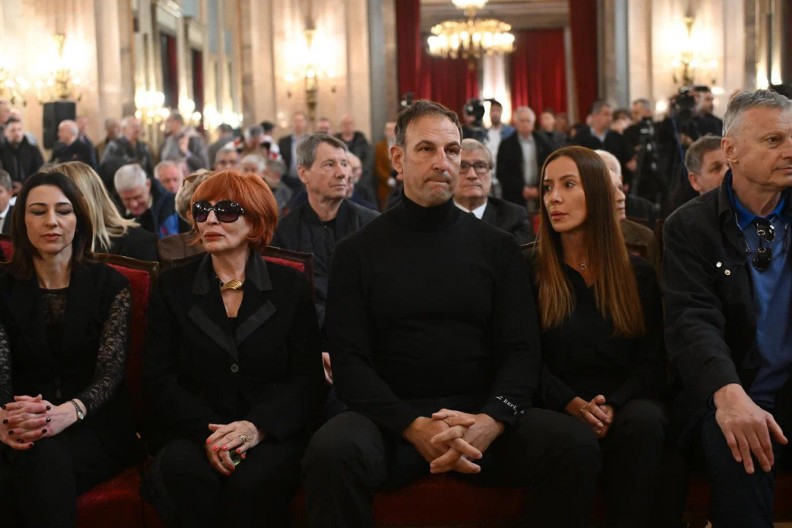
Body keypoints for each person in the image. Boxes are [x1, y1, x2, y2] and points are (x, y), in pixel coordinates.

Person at [302, 100, 600, 527]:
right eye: (427, 149)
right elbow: (350, 365)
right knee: (330, 452)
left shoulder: (498, 248)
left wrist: (491, 421)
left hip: (482, 417)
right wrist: (412, 427)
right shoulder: (357, 253)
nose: (443, 162)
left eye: (452, 151)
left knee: (573, 445)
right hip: (390, 425)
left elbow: (521, 352)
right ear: (399, 159)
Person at [143, 170, 323, 527]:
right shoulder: (172, 285)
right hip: (194, 431)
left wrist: (256, 428)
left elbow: (306, 381)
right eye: (201, 210)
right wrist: (213, 435)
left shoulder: (289, 286)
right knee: (185, 472)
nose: (210, 219)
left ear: (255, 221)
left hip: (268, 434)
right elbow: (158, 379)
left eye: (226, 211)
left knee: (253, 483)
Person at [663, 89, 792, 528]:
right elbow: (691, 321)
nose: (790, 150)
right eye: (774, 141)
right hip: (726, 392)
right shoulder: (689, 226)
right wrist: (729, 394)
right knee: (739, 447)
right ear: (730, 150)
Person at [530, 146, 667, 527]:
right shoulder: (530, 271)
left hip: (624, 400)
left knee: (646, 422)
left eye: (568, 185)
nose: (553, 197)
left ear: (597, 193)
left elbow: (652, 361)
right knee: (571, 440)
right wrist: (571, 403)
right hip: (553, 400)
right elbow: (523, 359)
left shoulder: (636, 274)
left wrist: (615, 403)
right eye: (547, 187)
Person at [0, 171, 141, 527]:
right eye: (38, 211)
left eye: (63, 210)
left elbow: (110, 375)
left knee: (38, 463)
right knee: (31, 460)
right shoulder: (2, 286)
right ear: (21, 221)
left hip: (94, 425)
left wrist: (67, 412)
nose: (51, 221)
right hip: (18, 424)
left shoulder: (109, 285)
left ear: (78, 219)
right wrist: (4, 418)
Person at [272, 133, 378, 326]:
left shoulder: (372, 225)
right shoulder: (284, 233)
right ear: (304, 174)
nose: (342, 173)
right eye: (330, 165)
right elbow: (285, 297)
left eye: (344, 164)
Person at [42, 161, 158, 261]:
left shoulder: (139, 243)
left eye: (62, 209)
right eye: (41, 211)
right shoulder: (47, 246)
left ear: (87, 201)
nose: (50, 220)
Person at [454, 138, 534, 245]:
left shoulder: (515, 217)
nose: (472, 175)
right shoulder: (434, 217)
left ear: (491, 175)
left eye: (480, 166)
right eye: (462, 167)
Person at [496, 105, 554, 210]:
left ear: (533, 123)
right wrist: (521, 189)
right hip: (514, 197)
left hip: (540, 194)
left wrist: (539, 188)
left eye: (528, 121)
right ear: (516, 123)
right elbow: (501, 173)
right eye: (522, 121)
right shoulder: (506, 145)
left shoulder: (544, 143)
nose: (525, 124)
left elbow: (551, 167)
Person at [114, 163, 188, 239]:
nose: (133, 204)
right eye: (126, 199)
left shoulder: (173, 206)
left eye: (138, 197)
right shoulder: (113, 212)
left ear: (148, 184)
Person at [156, 169, 211, 266]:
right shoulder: (172, 247)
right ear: (191, 215)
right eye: (205, 208)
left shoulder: (240, 242)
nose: (214, 215)